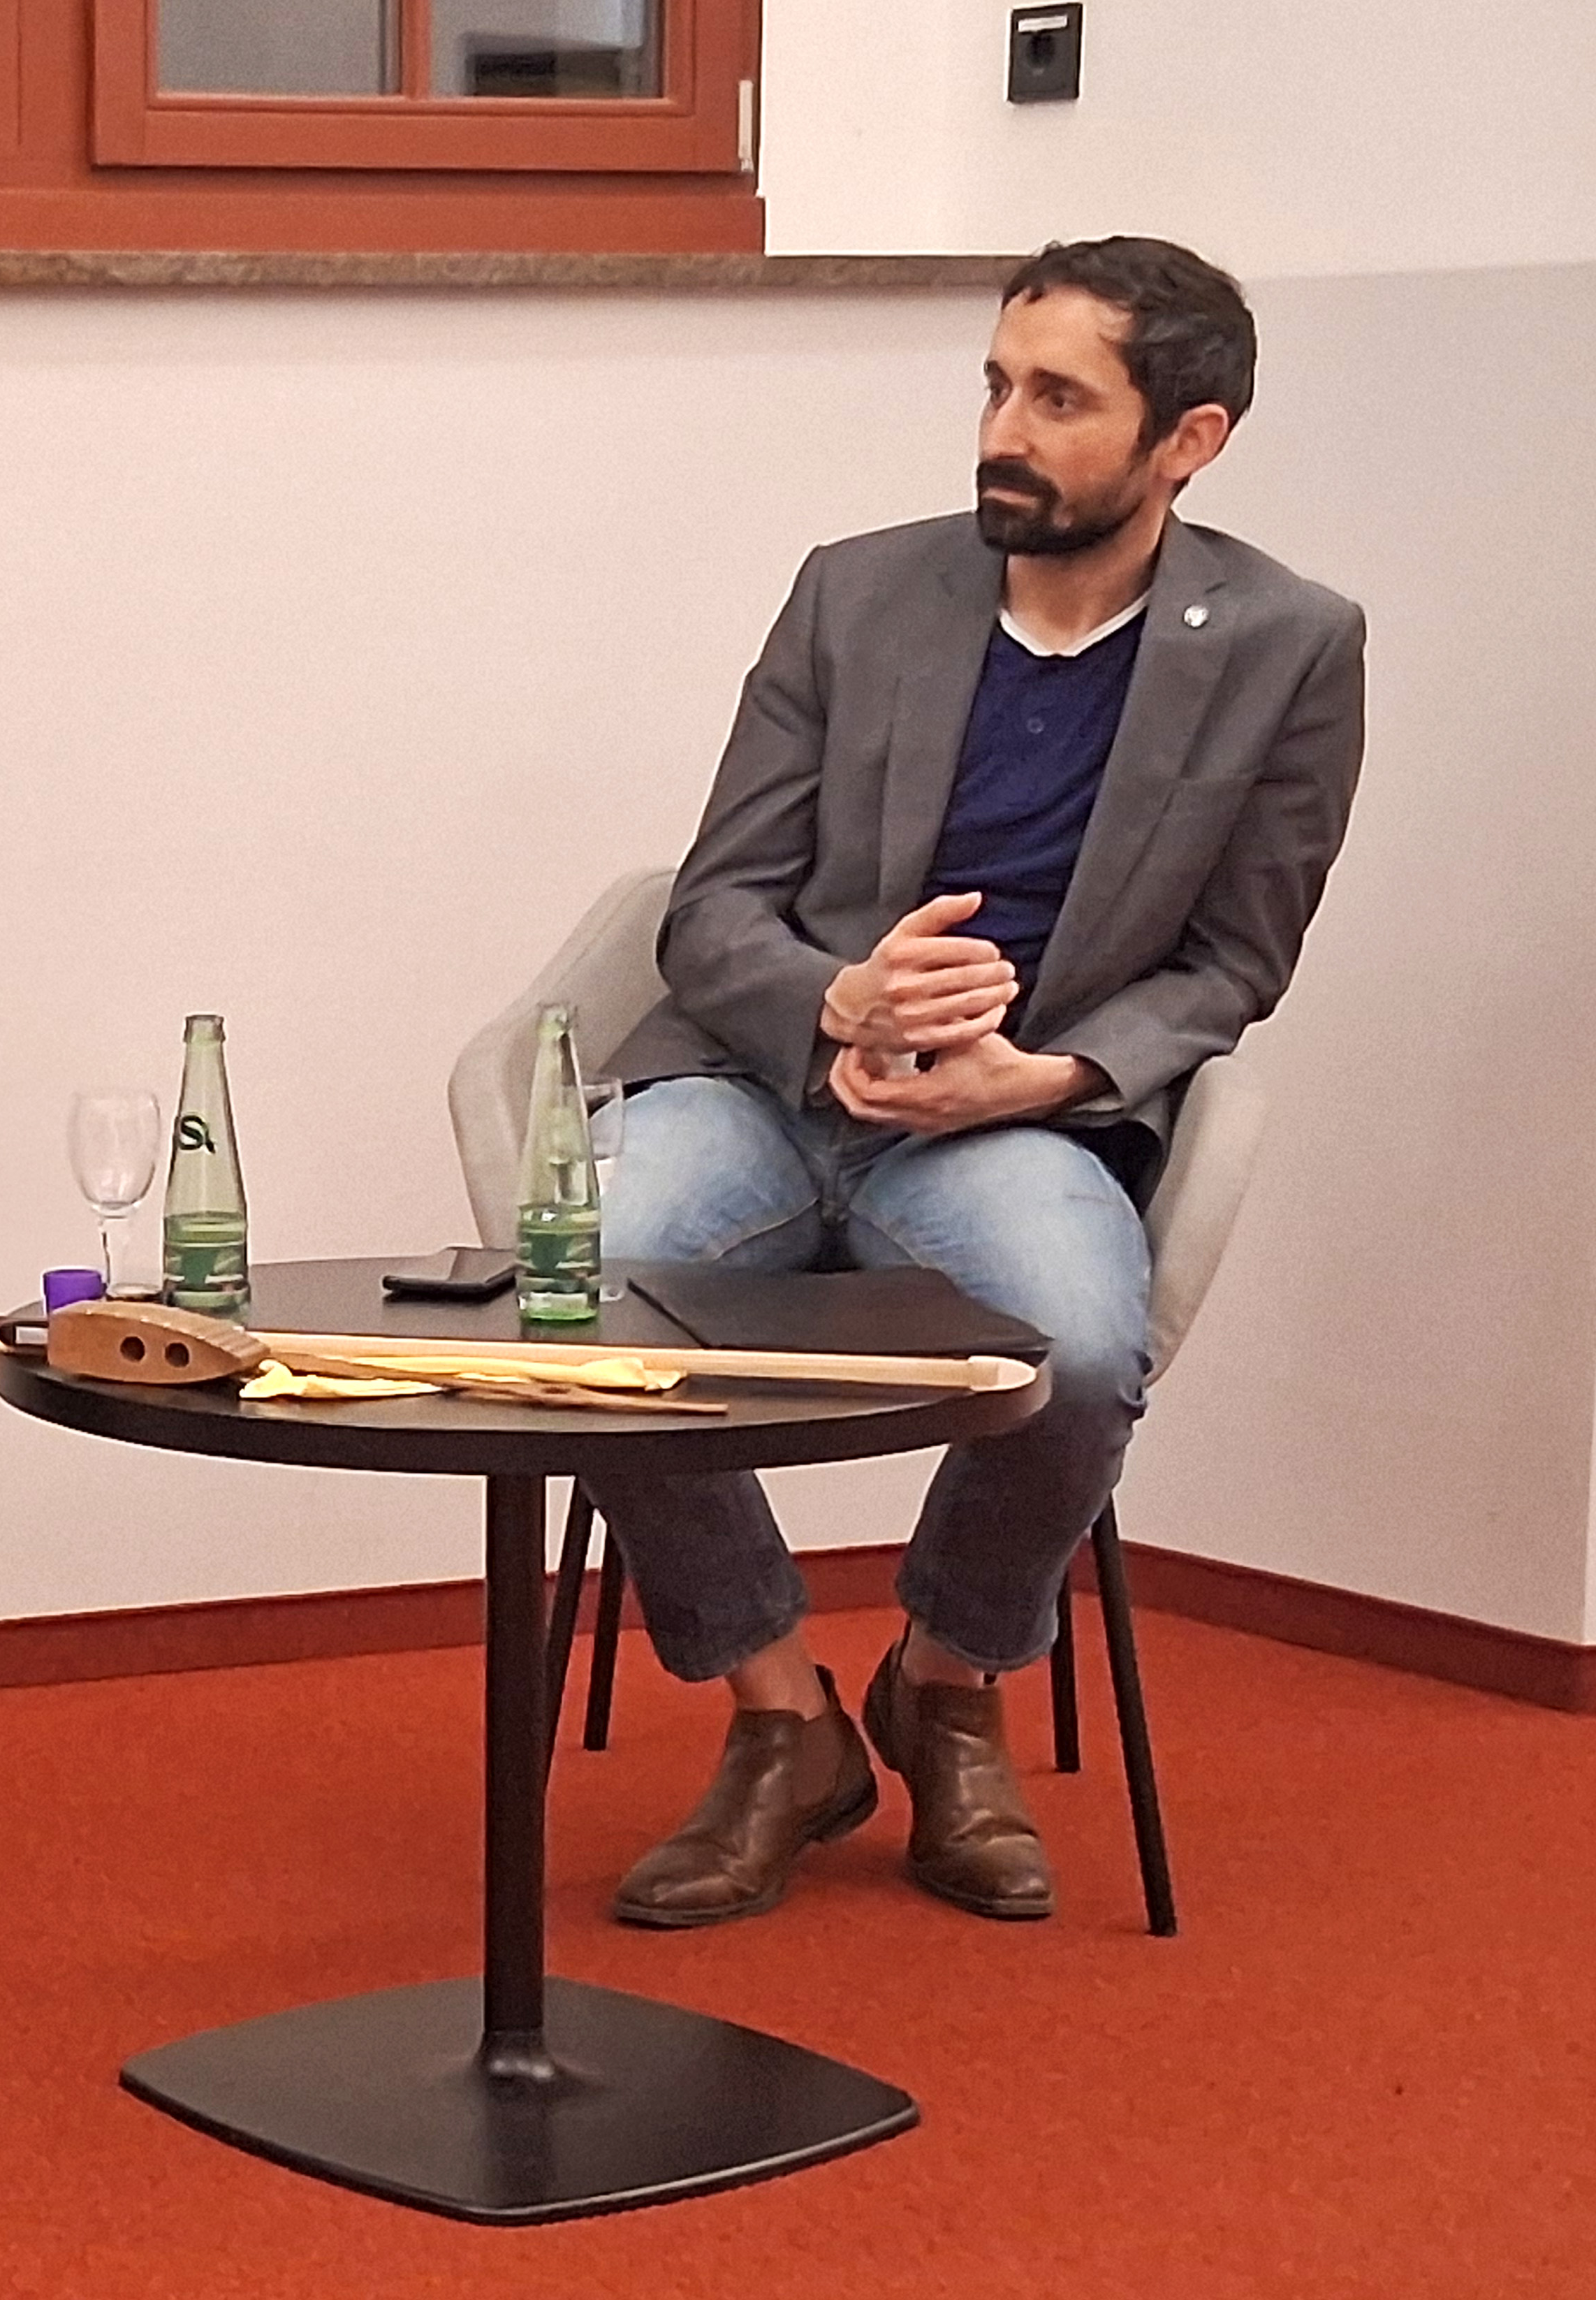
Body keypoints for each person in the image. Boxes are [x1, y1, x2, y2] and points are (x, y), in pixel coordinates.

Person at [592, 236, 1363, 1929]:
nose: (1003, 431)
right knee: (583, 1294)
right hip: (763, 1081)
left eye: (1059, 399)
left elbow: (1234, 960)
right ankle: (780, 1715)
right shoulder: (854, 591)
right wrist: (838, 1001)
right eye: (997, 384)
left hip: (1007, 1115)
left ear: (1189, 439)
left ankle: (944, 1681)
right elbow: (711, 907)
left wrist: (1048, 1072)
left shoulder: (1292, 644)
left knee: (1079, 1350)